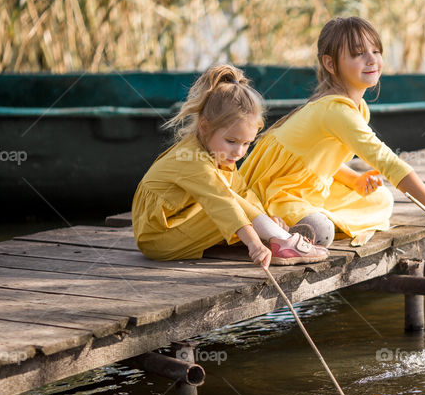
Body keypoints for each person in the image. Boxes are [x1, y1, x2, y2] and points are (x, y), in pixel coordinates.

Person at [240, 16, 425, 247]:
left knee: (380, 199)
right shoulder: (335, 110)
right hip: (278, 194)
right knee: (322, 232)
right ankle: (280, 223)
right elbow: (388, 162)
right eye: (358, 54)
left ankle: (298, 224)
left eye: (376, 51)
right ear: (330, 63)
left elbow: (318, 161)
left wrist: (354, 179)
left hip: (311, 188)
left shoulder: (358, 109)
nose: (371, 60)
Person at [131, 64, 329, 267]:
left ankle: (274, 236)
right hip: (158, 237)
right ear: (205, 126)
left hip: (182, 221)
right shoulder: (190, 159)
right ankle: (281, 240)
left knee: (236, 197)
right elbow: (223, 202)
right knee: (227, 199)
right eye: (232, 141)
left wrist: (266, 216)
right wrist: (254, 244)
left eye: (246, 143)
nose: (239, 152)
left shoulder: (219, 153)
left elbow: (242, 191)